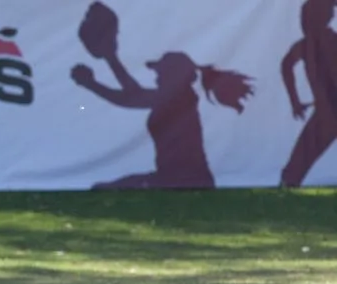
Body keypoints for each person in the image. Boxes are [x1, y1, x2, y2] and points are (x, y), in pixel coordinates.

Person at [71, 36, 253, 189]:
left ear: (174, 75)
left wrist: (93, 82)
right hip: (172, 176)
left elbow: (131, 98)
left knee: (107, 188)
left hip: (185, 179)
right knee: (108, 187)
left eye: (161, 72)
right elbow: (133, 92)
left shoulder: (181, 98)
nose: (157, 76)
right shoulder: (177, 96)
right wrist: (111, 58)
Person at [280, 0, 337, 188]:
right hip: (326, 113)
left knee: (295, 169)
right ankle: (288, 185)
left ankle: (289, 183)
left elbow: (287, 65)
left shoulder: (327, 41)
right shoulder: (307, 45)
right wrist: (294, 101)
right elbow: (286, 65)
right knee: (294, 169)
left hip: (327, 113)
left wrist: (295, 101)